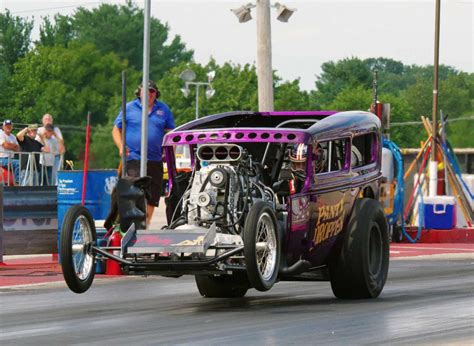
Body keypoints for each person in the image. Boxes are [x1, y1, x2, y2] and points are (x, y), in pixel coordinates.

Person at [112, 80, 175, 225]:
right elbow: (116, 129)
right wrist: (121, 146)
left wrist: (169, 151)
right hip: (133, 157)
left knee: (152, 195)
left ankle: (145, 223)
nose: (148, 94)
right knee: (132, 190)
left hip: (155, 159)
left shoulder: (164, 109)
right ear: (139, 93)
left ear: (156, 94)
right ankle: (131, 223)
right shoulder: (129, 107)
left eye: (151, 91)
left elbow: (171, 133)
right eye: (145, 91)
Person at [38, 114, 65, 183]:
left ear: (52, 121)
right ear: (42, 121)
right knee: (41, 178)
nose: (48, 121)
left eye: (49, 119)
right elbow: (37, 143)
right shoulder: (39, 130)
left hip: (55, 157)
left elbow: (61, 142)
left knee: (54, 178)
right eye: (46, 119)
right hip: (42, 159)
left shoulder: (56, 129)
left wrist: (55, 134)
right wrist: (43, 137)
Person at [0, 120, 20, 184]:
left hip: (11, 159)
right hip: (2, 159)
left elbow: (18, 149)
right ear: (3, 127)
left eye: (9, 126)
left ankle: (17, 182)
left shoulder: (13, 137)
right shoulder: (1, 134)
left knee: (22, 163)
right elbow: (5, 145)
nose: (8, 127)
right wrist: (13, 146)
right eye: (6, 126)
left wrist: (9, 145)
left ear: (12, 127)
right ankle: (17, 183)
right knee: (18, 163)